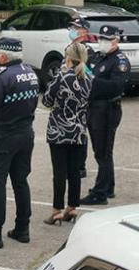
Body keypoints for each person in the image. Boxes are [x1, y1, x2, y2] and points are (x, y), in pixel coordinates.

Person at [0, 38, 38, 248]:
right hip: (26, 132)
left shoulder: (2, 77)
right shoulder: (31, 73)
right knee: (20, 181)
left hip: (4, 135)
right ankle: (22, 228)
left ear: (4, 55)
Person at [42, 43, 92, 225]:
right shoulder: (89, 78)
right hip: (79, 131)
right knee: (74, 172)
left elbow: (47, 100)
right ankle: (72, 207)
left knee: (60, 173)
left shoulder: (61, 77)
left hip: (59, 131)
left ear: (68, 58)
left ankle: (57, 210)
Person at [80, 25, 130, 205]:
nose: (103, 43)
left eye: (107, 40)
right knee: (102, 150)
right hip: (95, 108)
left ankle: (99, 193)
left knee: (103, 152)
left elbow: (116, 86)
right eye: (101, 39)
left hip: (107, 110)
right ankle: (108, 187)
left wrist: (93, 81)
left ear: (116, 41)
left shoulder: (120, 61)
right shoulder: (101, 57)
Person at [67, 17, 96, 179]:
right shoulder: (69, 47)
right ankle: (71, 163)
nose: (72, 30)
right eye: (72, 27)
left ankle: (80, 166)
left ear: (84, 31)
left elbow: (91, 75)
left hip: (82, 96)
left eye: (76, 27)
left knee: (80, 131)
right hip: (68, 96)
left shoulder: (88, 51)